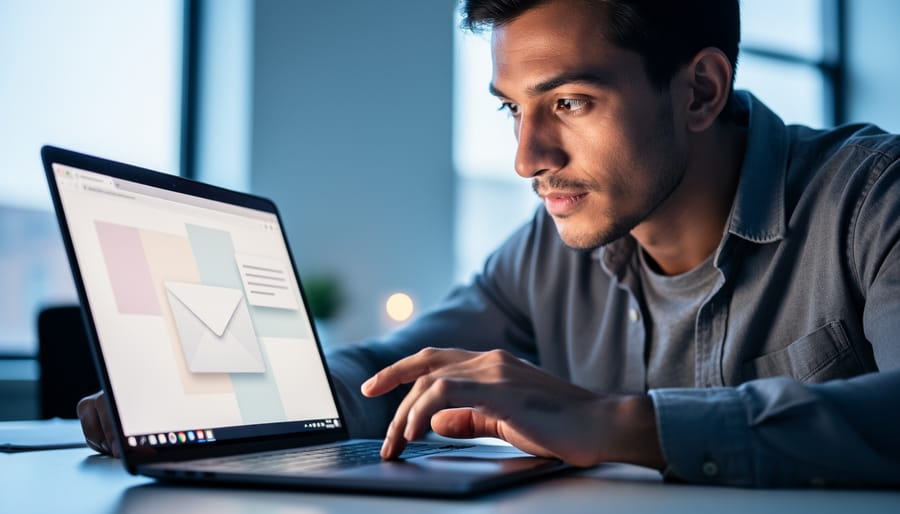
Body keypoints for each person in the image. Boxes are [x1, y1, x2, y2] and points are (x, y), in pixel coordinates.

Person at [78, 0, 900, 487]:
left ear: (699, 89)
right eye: (514, 109)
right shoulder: (547, 252)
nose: (527, 160)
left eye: (570, 102)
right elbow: (391, 365)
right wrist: (238, 403)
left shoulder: (872, 196)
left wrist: (614, 424)